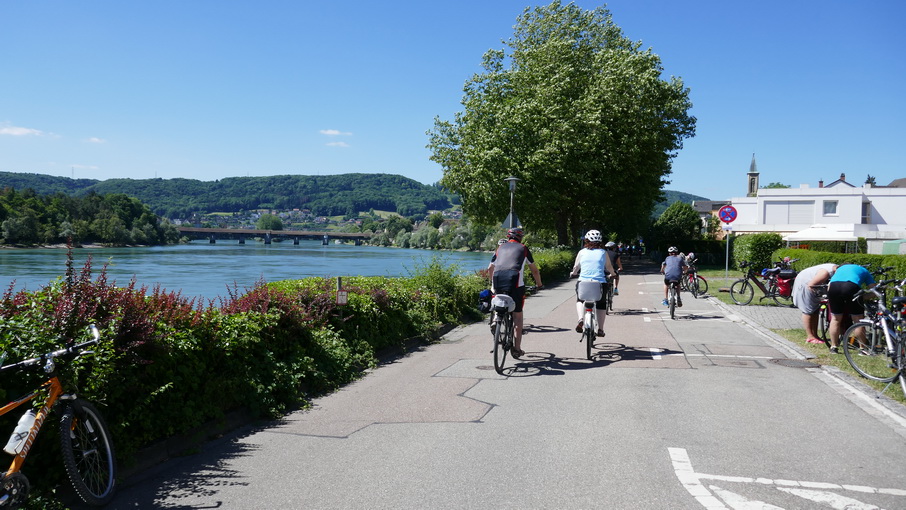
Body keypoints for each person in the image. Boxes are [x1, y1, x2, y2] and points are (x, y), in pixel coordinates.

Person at [488, 227, 543, 359]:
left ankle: (497, 318)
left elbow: (490, 268)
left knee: (500, 302)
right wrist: (539, 285)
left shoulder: (500, 248)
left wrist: (492, 282)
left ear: (508, 237)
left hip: (497, 279)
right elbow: (535, 271)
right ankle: (517, 349)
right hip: (515, 282)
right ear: (520, 237)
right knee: (517, 316)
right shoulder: (523, 248)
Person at [570, 230, 614, 336]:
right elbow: (609, 267)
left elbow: (576, 267)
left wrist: (573, 273)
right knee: (601, 304)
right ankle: (601, 329)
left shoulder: (582, 252)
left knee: (580, 300)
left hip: (583, 282)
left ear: (586, 240)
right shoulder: (603, 252)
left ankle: (580, 319)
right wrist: (613, 274)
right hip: (599, 283)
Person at [827, 264, 875, 353]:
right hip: (851, 286)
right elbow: (874, 291)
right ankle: (862, 348)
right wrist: (862, 297)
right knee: (858, 320)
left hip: (833, 287)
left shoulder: (840, 269)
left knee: (835, 319)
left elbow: (829, 286)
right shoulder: (864, 271)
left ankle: (833, 347)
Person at [791, 263, 838, 344]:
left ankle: (815, 335)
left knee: (815, 310)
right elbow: (811, 285)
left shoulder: (834, 268)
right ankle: (810, 336)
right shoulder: (825, 272)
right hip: (805, 284)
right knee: (808, 310)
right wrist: (819, 295)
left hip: (810, 283)